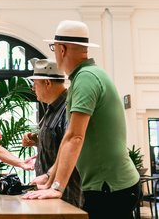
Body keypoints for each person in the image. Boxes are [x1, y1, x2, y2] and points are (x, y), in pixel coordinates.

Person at [23, 20, 140, 219]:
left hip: (109, 186)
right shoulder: (85, 76)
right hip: (106, 185)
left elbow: (75, 137)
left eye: (53, 48)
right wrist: (50, 178)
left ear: (61, 49)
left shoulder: (86, 78)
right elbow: (68, 137)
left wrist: (57, 187)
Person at [22, 59, 83, 208]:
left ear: (47, 83)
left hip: (65, 195)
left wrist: (50, 178)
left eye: (35, 84)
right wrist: (38, 141)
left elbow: (72, 147)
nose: (33, 89)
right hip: (48, 191)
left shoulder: (68, 109)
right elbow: (59, 141)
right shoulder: (51, 109)